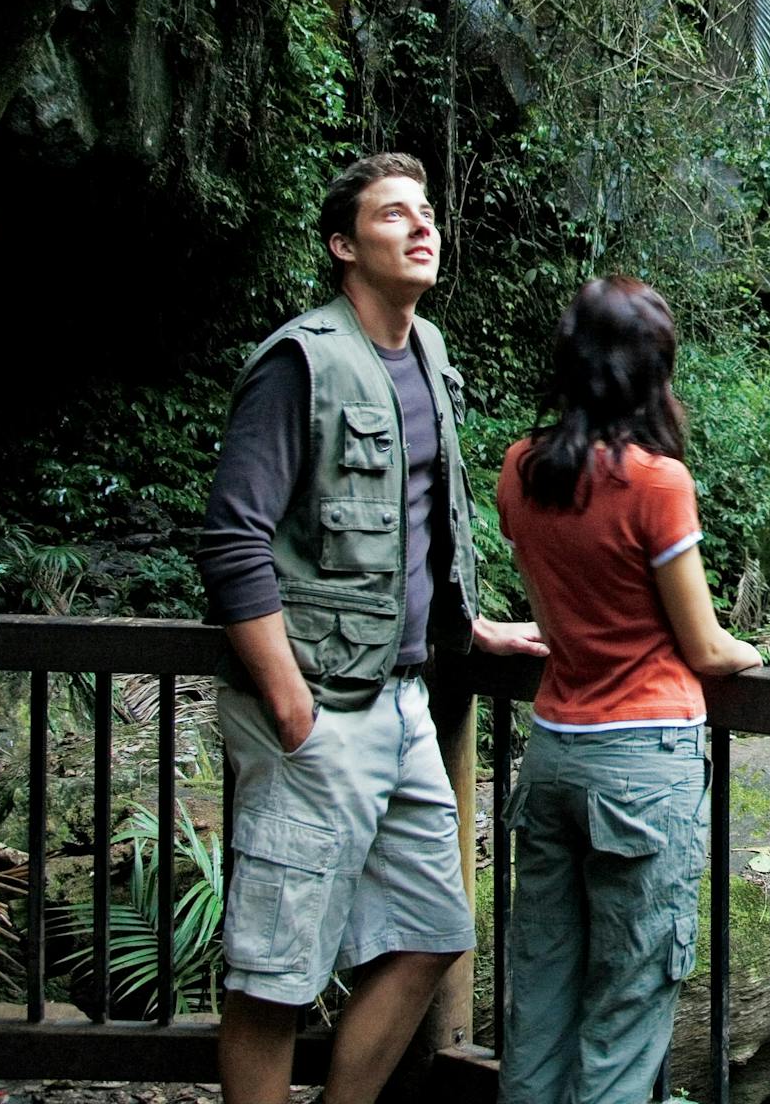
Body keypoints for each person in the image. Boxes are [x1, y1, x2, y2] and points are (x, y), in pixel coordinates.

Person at [196, 152, 548, 1104]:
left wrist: (469, 628)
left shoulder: (427, 351)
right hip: (317, 709)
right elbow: (234, 538)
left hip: (404, 704)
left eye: (427, 211)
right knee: (274, 978)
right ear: (345, 246)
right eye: (395, 215)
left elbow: (420, 522)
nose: (422, 226)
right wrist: (291, 708)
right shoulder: (300, 360)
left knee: (436, 927)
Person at [494, 277, 762, 1104]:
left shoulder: (521, 470)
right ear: (652, 373)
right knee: (627, 999)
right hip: (643, 764)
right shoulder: (656, 483)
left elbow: (552, 622)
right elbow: (705, 644)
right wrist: (754, 653)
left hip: (553, 753)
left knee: (538, 991)